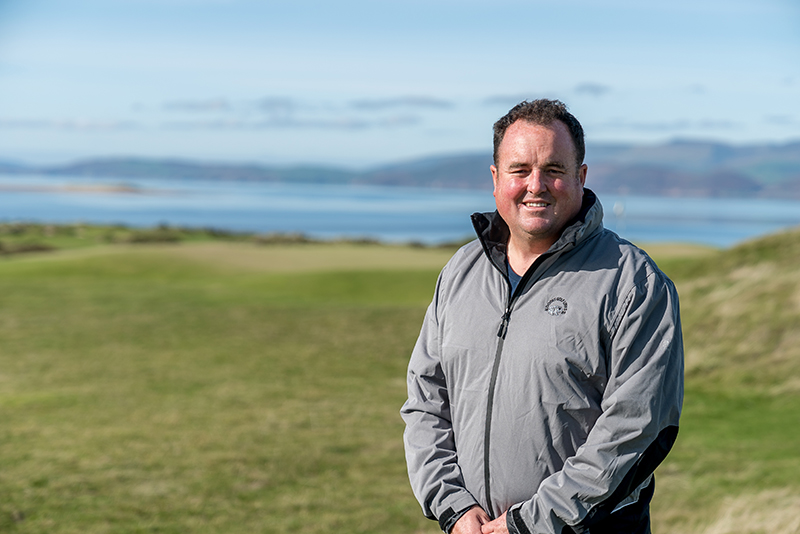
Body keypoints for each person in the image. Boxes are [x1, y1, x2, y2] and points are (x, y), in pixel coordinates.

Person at [400, 99, 683, 534]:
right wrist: (454, 508)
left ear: (580, 177)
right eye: (519, 170)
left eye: (554, 169)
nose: (536, 185)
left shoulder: (633, 282)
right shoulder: (461, 271)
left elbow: (639, 428)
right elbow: (426, 402)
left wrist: (526, 524)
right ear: (496, 179)